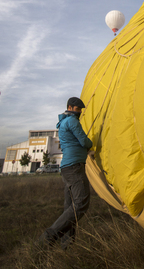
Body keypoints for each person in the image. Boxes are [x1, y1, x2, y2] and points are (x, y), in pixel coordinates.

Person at [38, 97, 93, 250]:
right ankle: (47, 238)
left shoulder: (63, 123)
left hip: (66, 169)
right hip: (74, 168)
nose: (80, 111)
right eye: (77, 108)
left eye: (81, 109)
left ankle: (67, 246)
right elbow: (84, 141)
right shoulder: (72, 121)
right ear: (70, 107)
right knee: (81, 203)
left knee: (70, 206)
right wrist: (91, 144)